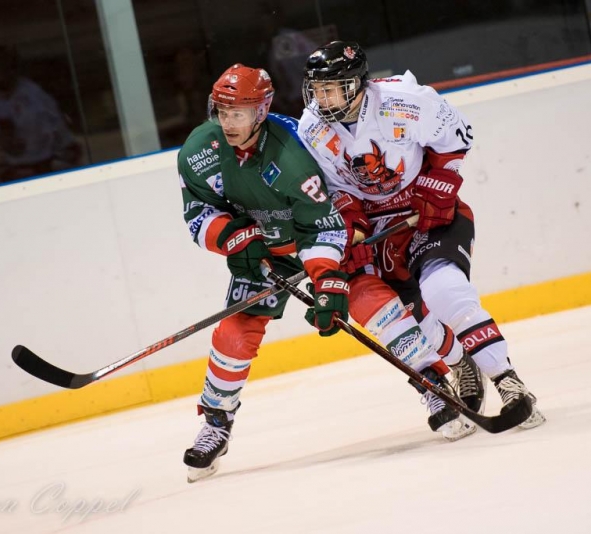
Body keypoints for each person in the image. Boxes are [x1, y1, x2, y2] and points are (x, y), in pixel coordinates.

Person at [177, 64, 477, 483]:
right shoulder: (198, 151)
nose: (228, 123)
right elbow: (198, 212)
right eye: (222, 112)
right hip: (264, 249)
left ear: (261, 111)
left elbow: (324, 221)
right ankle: (215, 424)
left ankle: (432, 382)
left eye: (239, 114)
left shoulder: (293, 154)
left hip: (321, 235)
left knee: (370, 299)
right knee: (234, 332)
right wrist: (231, 238)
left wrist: (327, 280)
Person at [296, 41, 546, 431]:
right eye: (317, 89)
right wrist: (354, 223)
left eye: (333, 88)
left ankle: (508, 381)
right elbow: (334, 187)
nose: (322, 98)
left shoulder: (405, 100)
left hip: (424, 213)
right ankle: (463, 363)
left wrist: (436, 188)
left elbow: (457, 138)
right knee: (411, 315)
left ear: (359, 84)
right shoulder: (311, 127)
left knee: (444, 289)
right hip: (380, 229)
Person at [0, 44, 81, 182]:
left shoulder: (34, 94)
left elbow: (57, 126)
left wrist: (68, 149)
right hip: (20, 166)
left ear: (10, 69)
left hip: (50, 160)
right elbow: (9, 143)